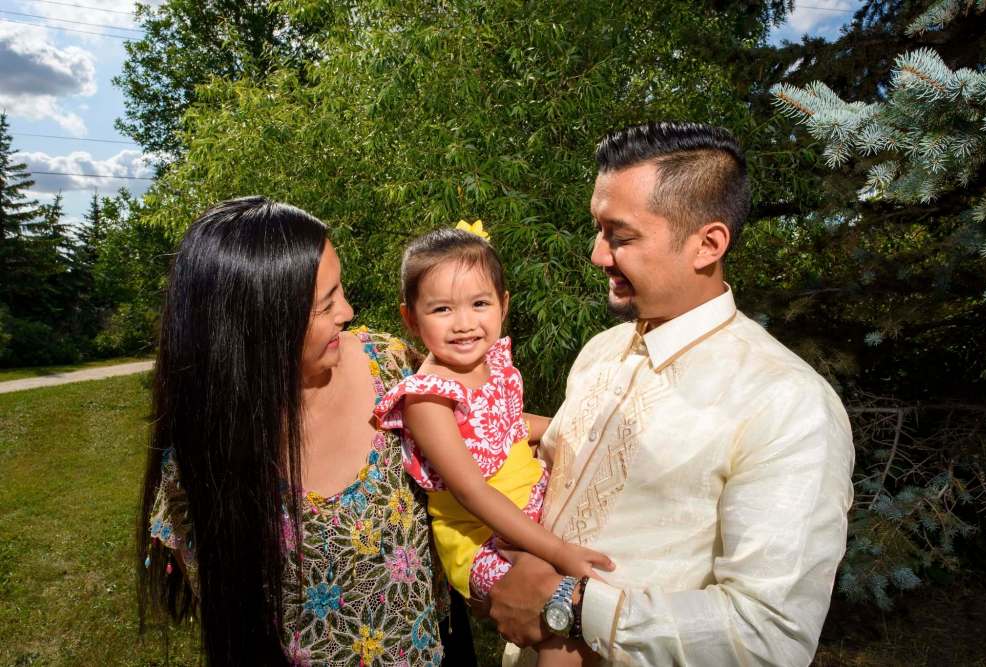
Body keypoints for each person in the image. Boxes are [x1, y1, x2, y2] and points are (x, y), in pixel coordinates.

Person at [488, 122, 856, 666]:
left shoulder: (788, 402)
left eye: (621, 235)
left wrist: (570, 605)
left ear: (708, 244)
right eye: (599, 230)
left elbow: (769, 636)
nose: (598, 255)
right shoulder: (600, 351)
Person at [137, 197, 468, 665]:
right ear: (258, 326)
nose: (348, 312)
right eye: (325, 303)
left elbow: (483, 444)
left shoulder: (391, 367)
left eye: (340, 291)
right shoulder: (203, 457)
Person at [373, 224, 614, 667]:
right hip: (482, 537)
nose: (464, 324)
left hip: (528, 510)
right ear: (410, 318)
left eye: (479, 304)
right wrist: (554, 549)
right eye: (442, 309)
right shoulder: (427, 397)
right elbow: (472, 491)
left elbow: (507, 424)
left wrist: (574, 426)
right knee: (561, 628)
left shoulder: (493, 363)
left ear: (502, 305)